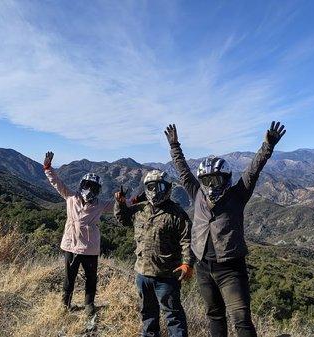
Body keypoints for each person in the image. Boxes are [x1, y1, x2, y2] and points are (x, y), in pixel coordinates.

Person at [164, 122, 286, 337]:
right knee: (214, 315)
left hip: (231, 268)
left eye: (216, 179)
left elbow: (252, 172)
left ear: (226, 177)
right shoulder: (198, 194)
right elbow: (182, 171)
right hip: (203, 266)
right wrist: (175, 146)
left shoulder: (237, 195)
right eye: (207, 180)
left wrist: (267, 146)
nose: (211, 185)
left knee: (241, 318)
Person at [114, 169, 193, 337]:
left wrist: (187, 264)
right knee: (148, 314)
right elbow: (123, 219)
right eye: (150, 187)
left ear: (167, 188)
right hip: (142, 273)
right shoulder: (140, 210)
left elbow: (187, 240)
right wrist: (119, 203)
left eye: (159, 186)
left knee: (173, 316)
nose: (155, 191)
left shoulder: (177, 214)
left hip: (167, 275)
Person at [43, 151, 114, 316]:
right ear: (82, 185)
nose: (89, 189)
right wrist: (47, 167)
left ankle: (89, 305)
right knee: (69, 277)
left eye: (93, 187)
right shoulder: (71, 197)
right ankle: (65, 303)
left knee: (91, 278)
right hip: (71, 244)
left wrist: (131, 201)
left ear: (97, 190)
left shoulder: (101, 204)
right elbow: (57, 183)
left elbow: (118, 207)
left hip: (90, 248)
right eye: (87, 185)